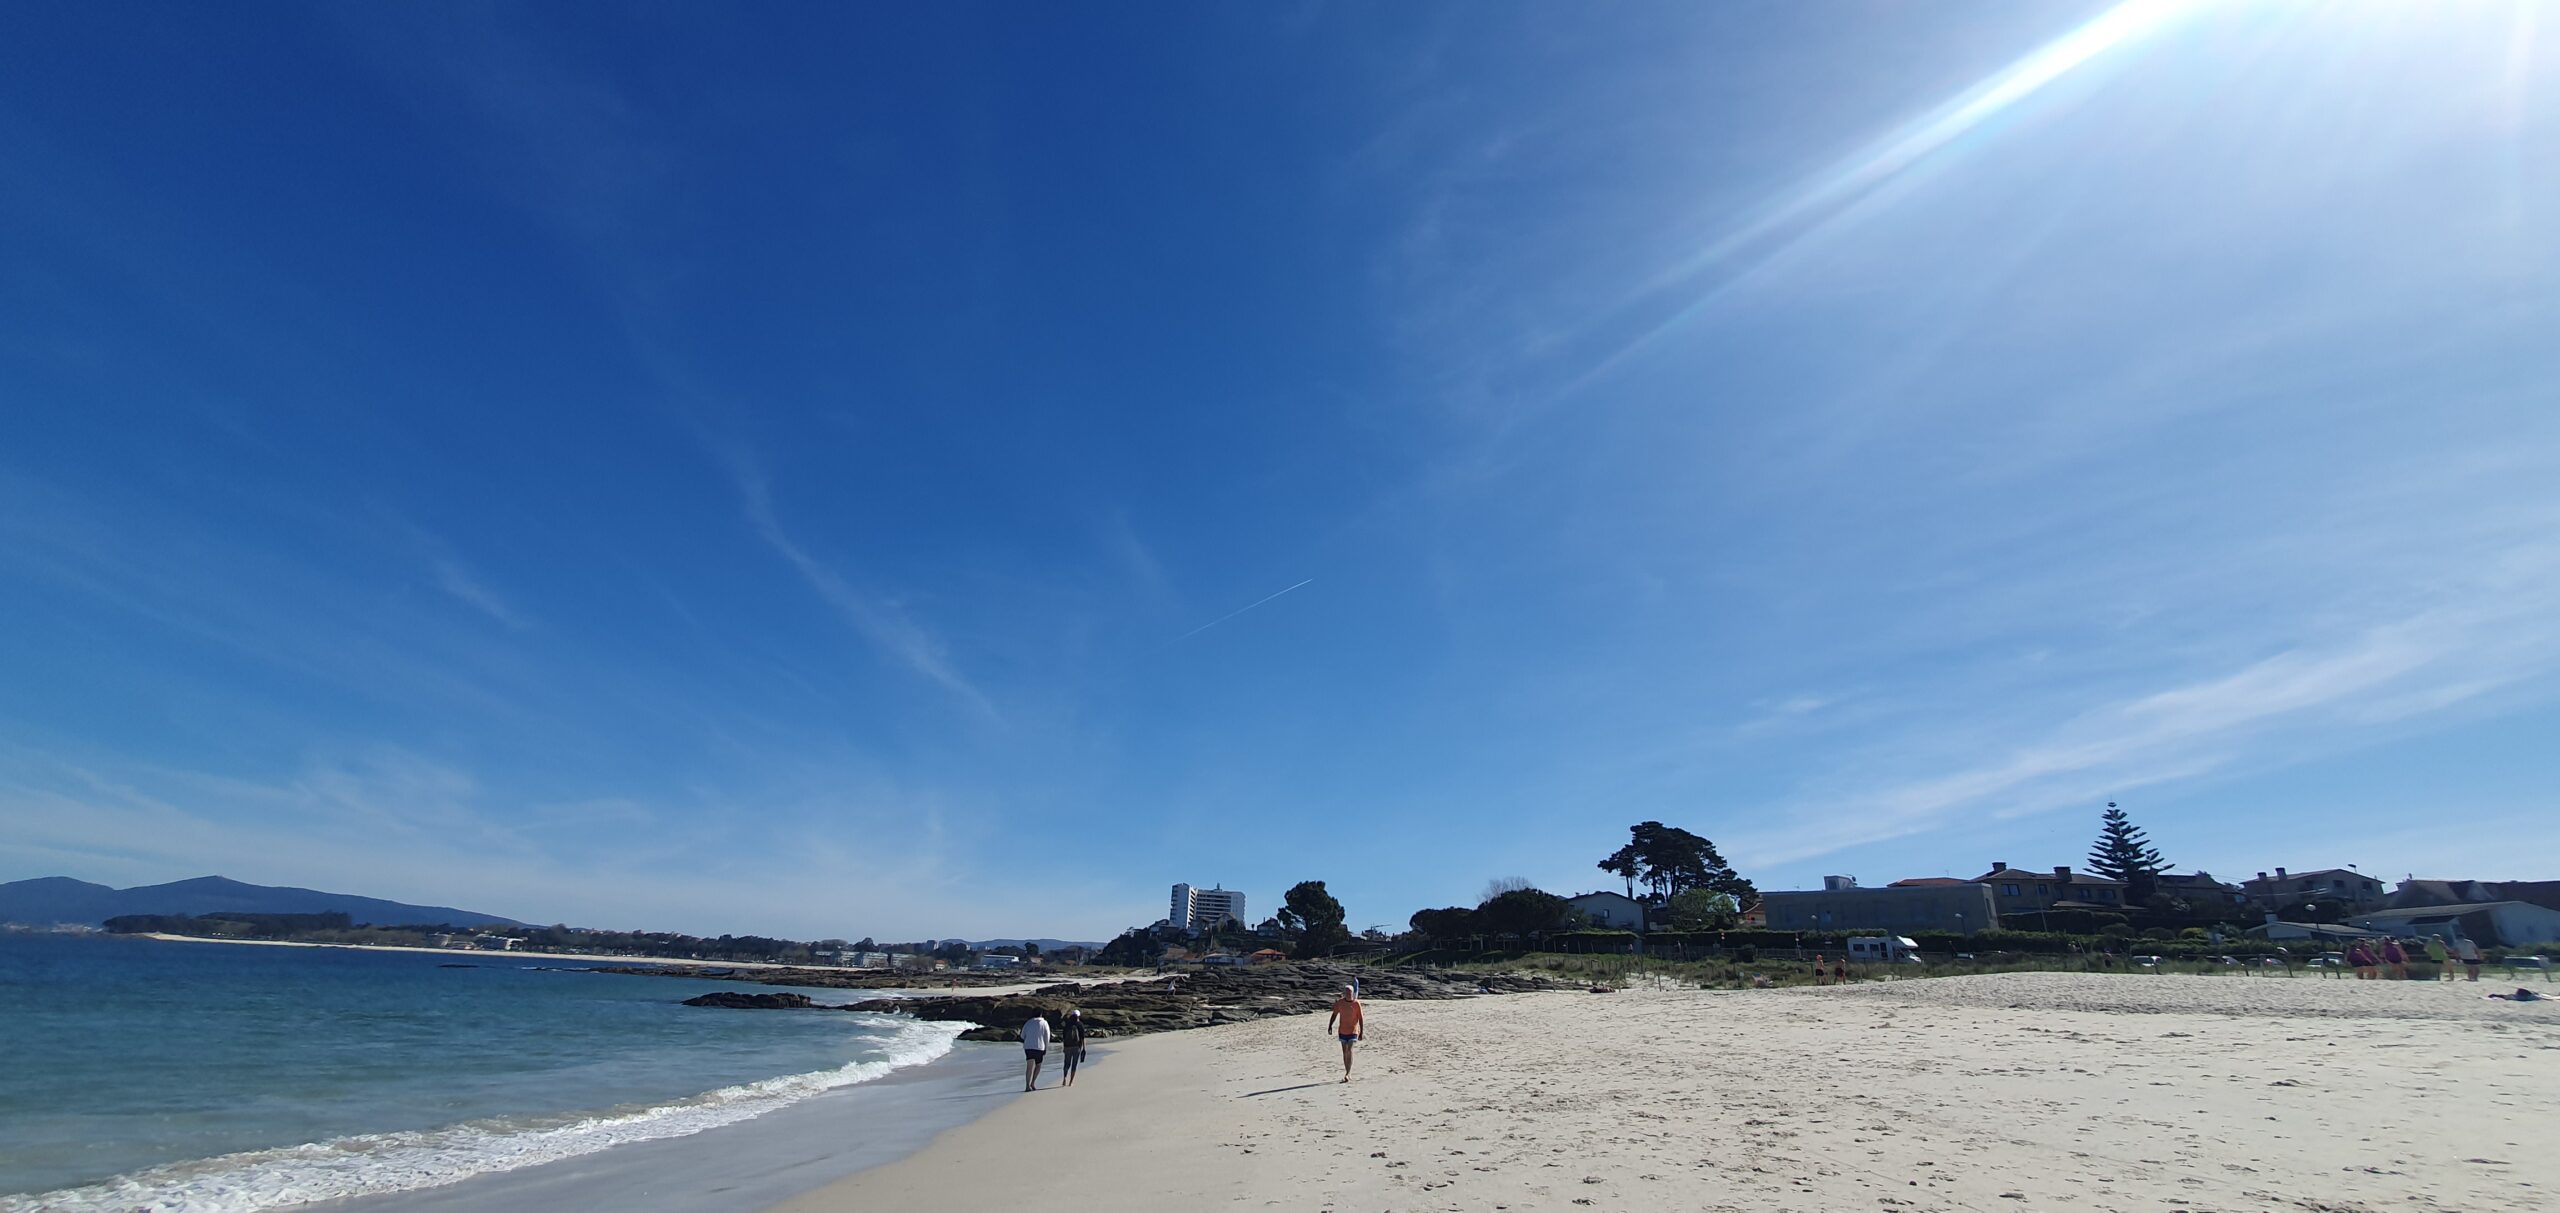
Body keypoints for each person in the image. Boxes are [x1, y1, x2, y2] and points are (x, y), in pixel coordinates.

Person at [1325, 985, 1364, 1083]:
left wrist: (1361, 1032)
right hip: (1342, 1030)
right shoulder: (1340, 1003)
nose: (1348, 994)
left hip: (1353, 1031)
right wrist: (1330, 1026)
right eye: (1347, 993)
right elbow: (1334, 1014)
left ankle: (1348, 1073)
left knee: (1349, 1050)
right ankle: (1347, 1071)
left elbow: (1361, 1018)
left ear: (1353, 993)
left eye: (1350, 992)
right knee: (1344, 1052)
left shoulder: (1356, 1003)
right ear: (1344, 993)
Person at [1020, 1012, 1052, 1091]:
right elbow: (1047, 1037)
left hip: (1029, 1047)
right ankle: (1033, 1083)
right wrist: (1046, 1048)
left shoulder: (1028, 1022)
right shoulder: (1044, 1023)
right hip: (1039, 1047)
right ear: (1041, 1014)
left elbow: (1022, 1035)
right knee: (1038, 1065)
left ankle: (1027, 1086)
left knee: (1029, 1067)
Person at [1059, 1009, 1088, 1087]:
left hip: (1067, 1046)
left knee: (1066, 1064)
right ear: (1078, 1016)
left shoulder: (1067, 1024)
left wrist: (1064, 1047)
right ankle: (1071, 1082)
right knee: (1074, 1065)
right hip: (1076, 1047)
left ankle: (1064, 1078)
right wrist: (1084, 1048)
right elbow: (1082, 1038)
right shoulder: (1080, 1024)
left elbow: (1064, 1037)